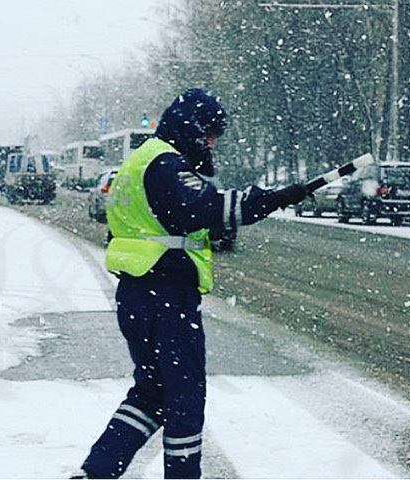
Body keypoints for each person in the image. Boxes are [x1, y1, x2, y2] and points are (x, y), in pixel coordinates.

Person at [73, 88, 308, 479]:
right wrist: (273, 198)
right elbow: (208, 209)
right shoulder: (166, 164)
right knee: (184, 400)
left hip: (137, 292)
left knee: (151, 394)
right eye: (210, 133)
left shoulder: (139, 161)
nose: (212, 142)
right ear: (192, 128)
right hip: (166, 297)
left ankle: (96, 472)